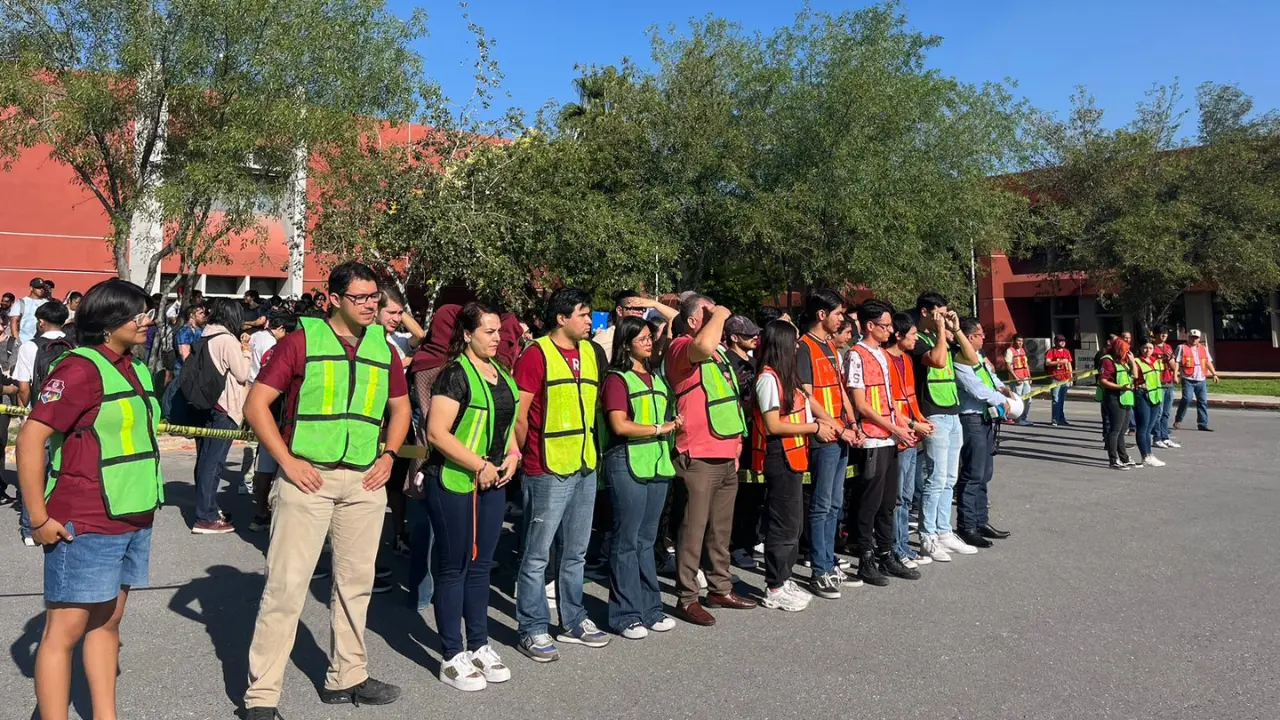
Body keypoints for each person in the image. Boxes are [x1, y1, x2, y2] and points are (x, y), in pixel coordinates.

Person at [241, 262, 411, 717]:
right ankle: (262, 697)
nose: (373, 305)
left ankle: (347, 676)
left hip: (364, 480)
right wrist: (288, 461)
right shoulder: (301, 341)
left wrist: (389, 456)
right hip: (307, 479)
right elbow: (256, 405)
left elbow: (400, 409)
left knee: (356, 584)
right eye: (362, 298)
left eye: (376, 297)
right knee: (286, 588)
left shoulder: (384, 348)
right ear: (334, 299)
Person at [16, 278, 161, 720]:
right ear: (109, 321)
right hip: (84, 520)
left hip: (132, 517)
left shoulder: (136, 367)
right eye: (139, 313)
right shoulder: (78, 369)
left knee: (108, 622)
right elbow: (30, 439)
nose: (147, 321)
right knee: (64, 630)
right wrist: (37, 517)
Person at [422, 303, 520, 691]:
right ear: (467, 334)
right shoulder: (454, 375)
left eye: (498, 331)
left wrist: (511, 455)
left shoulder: (501, 373)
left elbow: (505, 420)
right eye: (489, 331)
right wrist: (479, 465)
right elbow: (437, 432)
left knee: (482, 566)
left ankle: (479, 644)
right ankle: (451, 654)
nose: (497, 338)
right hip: (453, 481)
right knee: (454, 566)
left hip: (494, 481)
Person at [513, 287, 610, 661]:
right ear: (561, 318)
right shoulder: (535, 354)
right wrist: (528, 455)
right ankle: (533, 627)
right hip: (547, 466)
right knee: (537, 555)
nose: (590, 321)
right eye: (584, 314)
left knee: (576, 552)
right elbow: (521, 415)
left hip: (584, 463)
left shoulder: (589, 352)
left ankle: (574, 619)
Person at [664, 293, 757, 627]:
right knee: (693, 530)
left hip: (724, 451)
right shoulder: (681, 347)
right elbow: (700, 348)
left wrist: (736, 445)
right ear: (692, 320)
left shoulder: (719, 352)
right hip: (697, 454)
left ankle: (720, 587)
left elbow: (728, 399)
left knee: (721, 530)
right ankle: (687, 597)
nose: (718, 316)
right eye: (709, 312)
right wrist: (722, 312)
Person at [601, 316, 681, 636]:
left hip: (657, 464)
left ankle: (651, 608)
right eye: (642, 339)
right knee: (626, 541)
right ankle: (624, 613)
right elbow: (619, 425)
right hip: (627, 462)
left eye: (650, 337)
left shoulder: (655, 376)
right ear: (626, 344)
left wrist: (674, 424)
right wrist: (661, 428)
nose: (649, 342)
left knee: (648, 542)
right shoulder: (617, 379)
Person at [750, 320, 828, 611]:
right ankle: (775, 586)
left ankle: (784, 578)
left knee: (792, 522)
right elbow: (772, 424)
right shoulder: (768, 379)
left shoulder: (787, 377)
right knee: (783, 523)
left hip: (793, 455)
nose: (797, 346)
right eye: (793, 341)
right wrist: (814, 428)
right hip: (779, 456)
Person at [845, 299, 920, 585]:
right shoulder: (856, 355)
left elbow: (890, 401)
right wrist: (894, 427)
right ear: (869, 326)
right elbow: (861, 404)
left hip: (890, 436)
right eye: (885, 326)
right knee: (869, 501)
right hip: (872, 438)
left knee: (889, 501)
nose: (889, 331)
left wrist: (906, 425)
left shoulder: (884, 355)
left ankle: (886, 553)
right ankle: (865, 557)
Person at [797, 289, 859, 598]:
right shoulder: (803, 347)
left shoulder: (832, 347)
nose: (842, 320)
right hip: (824, 436)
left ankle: (828, 560)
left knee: (835, 503)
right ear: (822, 315)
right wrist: (837, 427)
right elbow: (808, 396)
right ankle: (819, 569)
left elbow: (840, 389)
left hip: (840, 431)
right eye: (837, 314)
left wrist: (851, 422)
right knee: (821, 504)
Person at [910, 292, 981, 562]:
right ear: (926, 312)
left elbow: (972, 358)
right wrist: (941, 330)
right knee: (936, 478)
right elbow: (938, 361)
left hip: (952, 412)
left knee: (950, 478)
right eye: (940, 312)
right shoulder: (917, 340)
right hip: (933, 413)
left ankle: (943, 530)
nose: (944, 317)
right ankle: (928, 535)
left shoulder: (944, 336)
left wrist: (956, 329)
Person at [188, 299, 251, 534]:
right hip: (225, 405)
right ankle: (206, 517)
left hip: (206, 404)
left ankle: (209, 508)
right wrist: (246, 352)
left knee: (205, 460)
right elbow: (242, 374)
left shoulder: (206, 335)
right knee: (214, 463)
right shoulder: (226, 340)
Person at [953, 318, 1013, 549]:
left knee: (985, 472)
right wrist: (1001, 399)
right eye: (979, 334)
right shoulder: (961, 359)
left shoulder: (978, 358)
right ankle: (966, 526)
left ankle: (981, 521)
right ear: (969, 338)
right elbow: (976, 389)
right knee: (973, 473)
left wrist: (1002, 388)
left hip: (986, 418)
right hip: (971, 418)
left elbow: (989, 378)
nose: (983, 338)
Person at [885, 312, 934, 567]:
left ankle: (904, 545)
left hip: (912, 434)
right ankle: (896, 547)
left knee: (906, 495)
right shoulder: (885, 360)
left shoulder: (905, 359)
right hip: (898, 434)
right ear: (898, 335)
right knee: (897, 497)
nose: (917, 339)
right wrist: (913, 424)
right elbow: (890, 402)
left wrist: (921, 419)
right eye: (913, 335)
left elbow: (910, 397)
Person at [247, 310, 298, 532]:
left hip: (270, 416)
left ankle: (260, 513)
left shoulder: (273, 352)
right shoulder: (295, 353)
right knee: (279, 469)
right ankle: (273, 516)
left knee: (265, 467)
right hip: (284, 418)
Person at [723, 314, 762, 570]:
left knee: (755, 491)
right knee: (739, 494)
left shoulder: (754, 362)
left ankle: (749, 540)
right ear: (734, 337)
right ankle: (736, 546)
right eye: (749, 335)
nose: (755, 339)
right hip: (737, 431)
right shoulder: (727, 363)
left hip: (756, 432)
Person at [13, 300, 71, 408]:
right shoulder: (75, 345)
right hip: (70, 407)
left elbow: (23, 388)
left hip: (41, 409)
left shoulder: (29, 346)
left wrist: (24, 413)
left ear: (41, 322)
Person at [1097, 338, 1138, 470]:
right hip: (1114, 397)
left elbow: (1135, 376)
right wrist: (1120, 387)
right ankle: (1113, 460)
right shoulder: (1107, 360)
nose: (1126, 352)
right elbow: (1102, 380)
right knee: (1114, 430)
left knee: (1122, 431)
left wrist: (1132, 362)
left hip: (1126, 397)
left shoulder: (1125, 360)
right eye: (1124, 349)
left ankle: (1124, 458)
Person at [1132, 341, 1168, 468]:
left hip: (1155, 396)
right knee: (1143, 427)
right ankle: (1145, 456)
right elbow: (1133, 376)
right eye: (1145, 347)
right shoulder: (1136, 361)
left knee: (1149, 428)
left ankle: (1149, 454)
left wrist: (1170, 359)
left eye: (1150, 348)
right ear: (1140, 348)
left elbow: (1170, 370)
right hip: (1142, 395)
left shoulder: (1156, 361)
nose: (1147, 350)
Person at [1174, 329, 1218, 432]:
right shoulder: (1182, 347)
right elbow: (1177, 362)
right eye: (1192, 337)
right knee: (1187, 399)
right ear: (1188, 337)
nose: (1194, 339)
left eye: (1196, 338)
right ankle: (1178, 418)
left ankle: (1202, 423)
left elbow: (1208, 362)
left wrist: (1214, 374)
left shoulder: (1203, 348)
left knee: (1202, 402)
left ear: (1199, 339)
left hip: (1201, 379)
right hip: (1188, 378)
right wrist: (1175, 374)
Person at [1151, 327, 1181, 448]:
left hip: (1168, 382)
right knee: (1158, 412)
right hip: (1158, 383)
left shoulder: (1168, 347)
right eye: (1161, 333)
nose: (1164, 335)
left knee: (1166, 413)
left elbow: (1174, 366)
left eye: (1166, 333)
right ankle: (1156, 438)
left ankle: (1165, 437)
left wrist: (1169, 359)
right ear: (1156, 334)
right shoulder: (1151, 347)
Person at [9, 277, 50, 346]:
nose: (41, 290)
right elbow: (14, 321)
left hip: (42, 342)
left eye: (43, 288)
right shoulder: (21, 302)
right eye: (38, 288)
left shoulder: (47, 303)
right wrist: (16, 339)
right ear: (31, 288)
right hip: (23, 341)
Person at [1003, 334, 1033, 426]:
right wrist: (1016, 378)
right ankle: (1018, 419)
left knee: (1028, 399)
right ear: (1014, 341)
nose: (1020, 343)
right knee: (1018, 399)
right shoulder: (1009, 351)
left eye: (1022, 341)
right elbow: (1008, 366)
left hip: (1025, 378)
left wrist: (1029, 376)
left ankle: (1024, 418)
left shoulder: (1022, 350)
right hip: (1016, 380)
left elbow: (1026, 364)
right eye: (1018, 341)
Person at [1045, 334, 1074, 426]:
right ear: (1055, 342)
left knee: (1061, 400)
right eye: (1060, 341)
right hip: (1055, 378)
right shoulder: (1051, 351)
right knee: (1055, 399)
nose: (1062, 342)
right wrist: (1059, 362)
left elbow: (1069, 364)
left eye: (1064, 341)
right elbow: (1047, 363)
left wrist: (1071, 377)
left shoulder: (1066, 351)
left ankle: (1061, 418)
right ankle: (1055, 419)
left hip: (1065, 379)